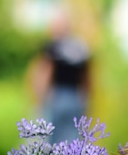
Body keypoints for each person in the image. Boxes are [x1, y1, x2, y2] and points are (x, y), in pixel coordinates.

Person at [30, 11, 91, 143]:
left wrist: (39, 101)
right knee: (72, 140)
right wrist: (86, 101)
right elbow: (86, 78)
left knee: (51, 140)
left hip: (56, 97)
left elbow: (46, 74)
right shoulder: (81, 47)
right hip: (75, 97)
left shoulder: (53, 46)